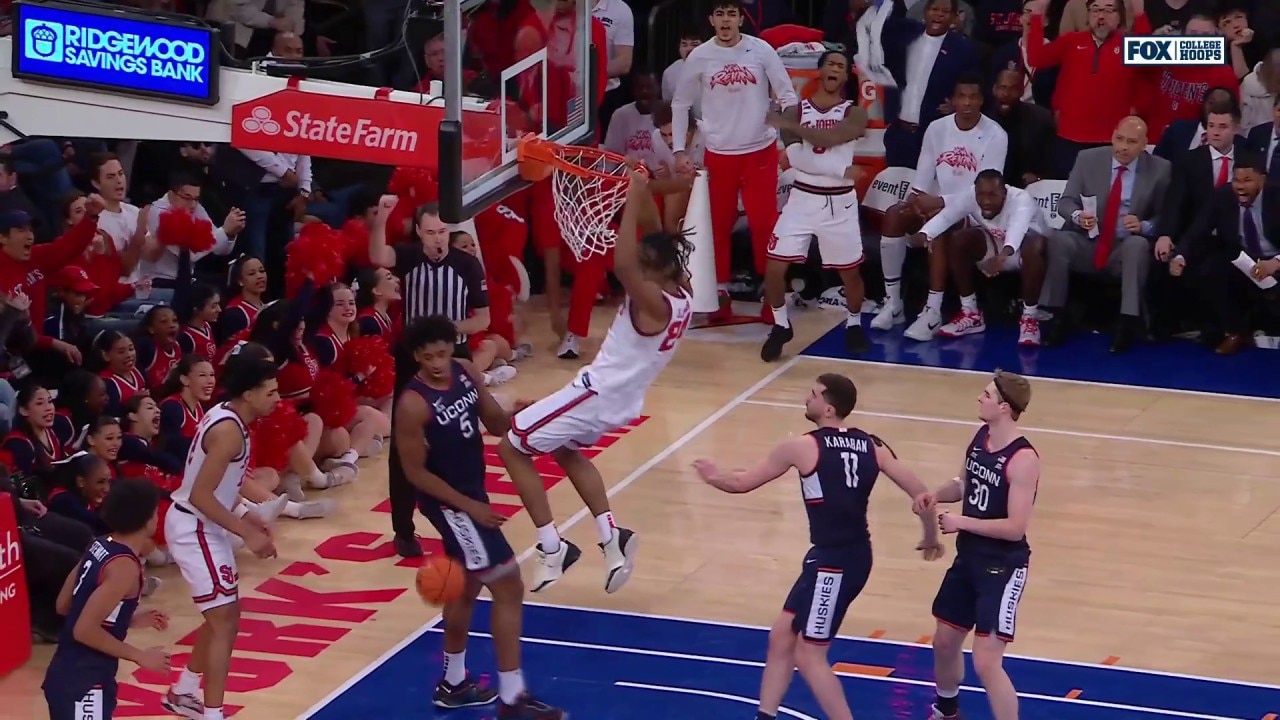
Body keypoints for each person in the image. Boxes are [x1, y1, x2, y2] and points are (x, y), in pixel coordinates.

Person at [693, 373, 943, 720]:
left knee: (810, 655)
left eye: (812, 394)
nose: (806, 398)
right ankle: (764, 716)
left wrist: (711, 475)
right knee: (782, 636)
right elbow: (922, 493)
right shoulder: (872, 445)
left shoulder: (801, 446)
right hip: (839, 557)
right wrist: (930, 535)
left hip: (836, 564)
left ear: (828, 407)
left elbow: (741, 483)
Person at [497, 169, 692, 593]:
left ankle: (552, 547)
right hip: (617, 397)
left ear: (651, 272)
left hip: (596, 394)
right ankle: (611, 537)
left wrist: (633, 196)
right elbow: (656, 238)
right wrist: (640, 196)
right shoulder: (682, 292)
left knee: (511, 446)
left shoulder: (654, 304)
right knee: (564, 449)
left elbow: (622, 264)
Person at [395, 314, 566, 719]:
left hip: (472, 492)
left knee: (466, 587)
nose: (438, 363)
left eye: (443, 353)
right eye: (428, 356)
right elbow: (415, 473)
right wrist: (468, 507)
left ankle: (453, 683)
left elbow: (495, 422)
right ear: (417, 356)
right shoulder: (412, 404)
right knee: (508, 584)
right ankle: (512, 699)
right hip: (449, 504)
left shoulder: (466, 371)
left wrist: (525, 414)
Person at [161, 353, 282, 720]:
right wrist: (247, 533)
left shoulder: (232, 417)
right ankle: (210, 713)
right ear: (249, 394)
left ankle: (184, 691)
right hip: (194, 526)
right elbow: (199, 494)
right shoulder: (229, 431)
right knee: (224, 622)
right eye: (272, 392)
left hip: (204, 524)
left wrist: (248, 514)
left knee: (222, 617)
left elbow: (223, 485)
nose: (278, 398)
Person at [923, 370, 1040, 720]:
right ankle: (946, 711)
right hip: (969, 558)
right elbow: (965, 483)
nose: (980, 398)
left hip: (1003, 566)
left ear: (1004, 407)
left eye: (986, 395)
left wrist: (961, 523)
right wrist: (935, 495)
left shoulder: (1024, 459)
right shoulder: (980, 436)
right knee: (944, 641)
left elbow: (1015, 528)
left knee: (987, 662)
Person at [760, 49, 871, 361]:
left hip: (839, 206)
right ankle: (781, 325)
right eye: (831, 64)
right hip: (802, 199)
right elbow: (795, 159)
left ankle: (853, 323)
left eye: (842, 65)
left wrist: (793, 129)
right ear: (820, 71)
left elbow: (830, 141)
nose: (836, 68)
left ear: (846, 74)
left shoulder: (855, 113)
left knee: (850, 274)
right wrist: (838, 170)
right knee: (773, 268)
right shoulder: (797, 110)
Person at [42, 478, 170, 720]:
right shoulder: (124, 567)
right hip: (85, 680)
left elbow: (65, 604)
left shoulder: (100, 544)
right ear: (146, 518)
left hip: (64, 675)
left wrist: (125, 619)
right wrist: (140, 656)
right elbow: (84, 630)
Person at [919, 169, 1052, 346]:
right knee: (959, 239)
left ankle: (1029, 318)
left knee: (1034, 245)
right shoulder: (970, 196)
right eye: (981, 195)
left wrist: (1001, 257)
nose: (986, 201)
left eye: (992, 195)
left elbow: (1017, 230)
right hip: (997, 244)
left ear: (1004, 193)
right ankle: (970, 312)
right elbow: (947, 217)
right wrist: (925, 233)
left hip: (1026, 251)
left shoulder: (1021, 200)